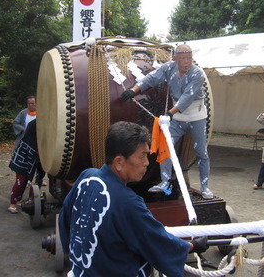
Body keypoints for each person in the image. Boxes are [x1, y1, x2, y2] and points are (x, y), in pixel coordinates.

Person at [58, 121, 208, 277]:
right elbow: (154, 240)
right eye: (142, 156)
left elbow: (65, 219)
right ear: (119, 162)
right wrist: (191, 246)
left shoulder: (86, 177)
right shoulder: (127, 202)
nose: (147, 163)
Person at [121, 43, 214, 199]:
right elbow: (151, 78)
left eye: (189, 58)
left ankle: (205, 187)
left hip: (196, 116)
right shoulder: (169, 68)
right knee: (166, 148)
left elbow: (187, 98)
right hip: (178, 117)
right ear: (174, 58)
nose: (186, 62)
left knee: (201, 152)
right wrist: (133, 90)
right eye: (182, 58)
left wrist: (169, 113)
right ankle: (165, 182)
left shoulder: (197, 74)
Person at [8, 119, 41, 214]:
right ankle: (12, 204)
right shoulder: (34, 124)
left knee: (25, 179)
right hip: (25, 154)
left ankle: (17, 201)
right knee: (20, 180)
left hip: (30, 154)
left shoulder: (36, 123)